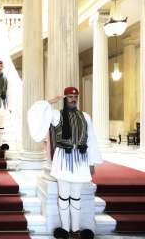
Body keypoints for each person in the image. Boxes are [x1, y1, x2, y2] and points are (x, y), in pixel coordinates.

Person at [27, 87, 102, 239]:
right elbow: (35, 111)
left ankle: (75, 230)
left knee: (76, 196)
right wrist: (52, 101)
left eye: (75, 96)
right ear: (65, 98)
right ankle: (65, 229)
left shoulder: (85, 117)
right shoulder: (56, 115)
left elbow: (92, 139)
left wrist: (92, 163)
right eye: (69, 97)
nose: (73, 99)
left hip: (81, 160)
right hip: (63, 159)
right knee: (63, 195)